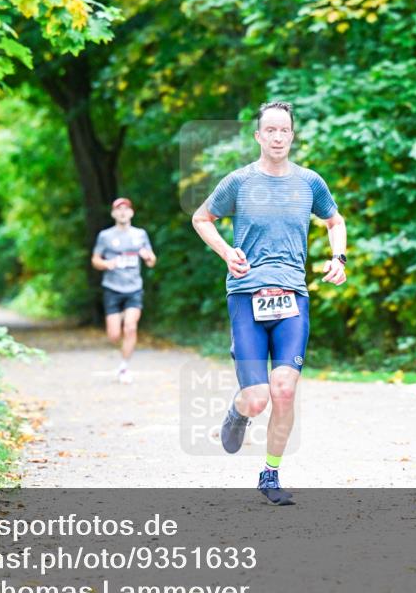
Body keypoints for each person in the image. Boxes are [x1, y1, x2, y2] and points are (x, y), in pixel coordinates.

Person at [191, 101, 347, 505]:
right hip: (246, 297)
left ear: (292, 135)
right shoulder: (239, 182)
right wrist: (227, 252)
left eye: (285, 130)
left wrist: (339, 257)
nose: (278, 137)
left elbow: (335, 221)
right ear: (259, 136)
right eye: (270, 130)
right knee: (257, 398)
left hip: (293, 296)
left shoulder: (310, 182)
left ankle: (270, 473)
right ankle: (237, 413)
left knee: (283, 391)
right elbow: (201, 218)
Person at [92, 197, 157, 384]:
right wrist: (106, 263)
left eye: (126, 209)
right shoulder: (105, 236)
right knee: (114, 335)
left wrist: (147, 257)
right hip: (112, 288)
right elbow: (95, 260)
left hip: (133, 288)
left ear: (131, 213)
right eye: (118, 209)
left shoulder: (140, 234)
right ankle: (118, 319)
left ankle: (124, 366)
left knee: (130, 327)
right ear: (113, 213)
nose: (122, 212)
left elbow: (152, 261)